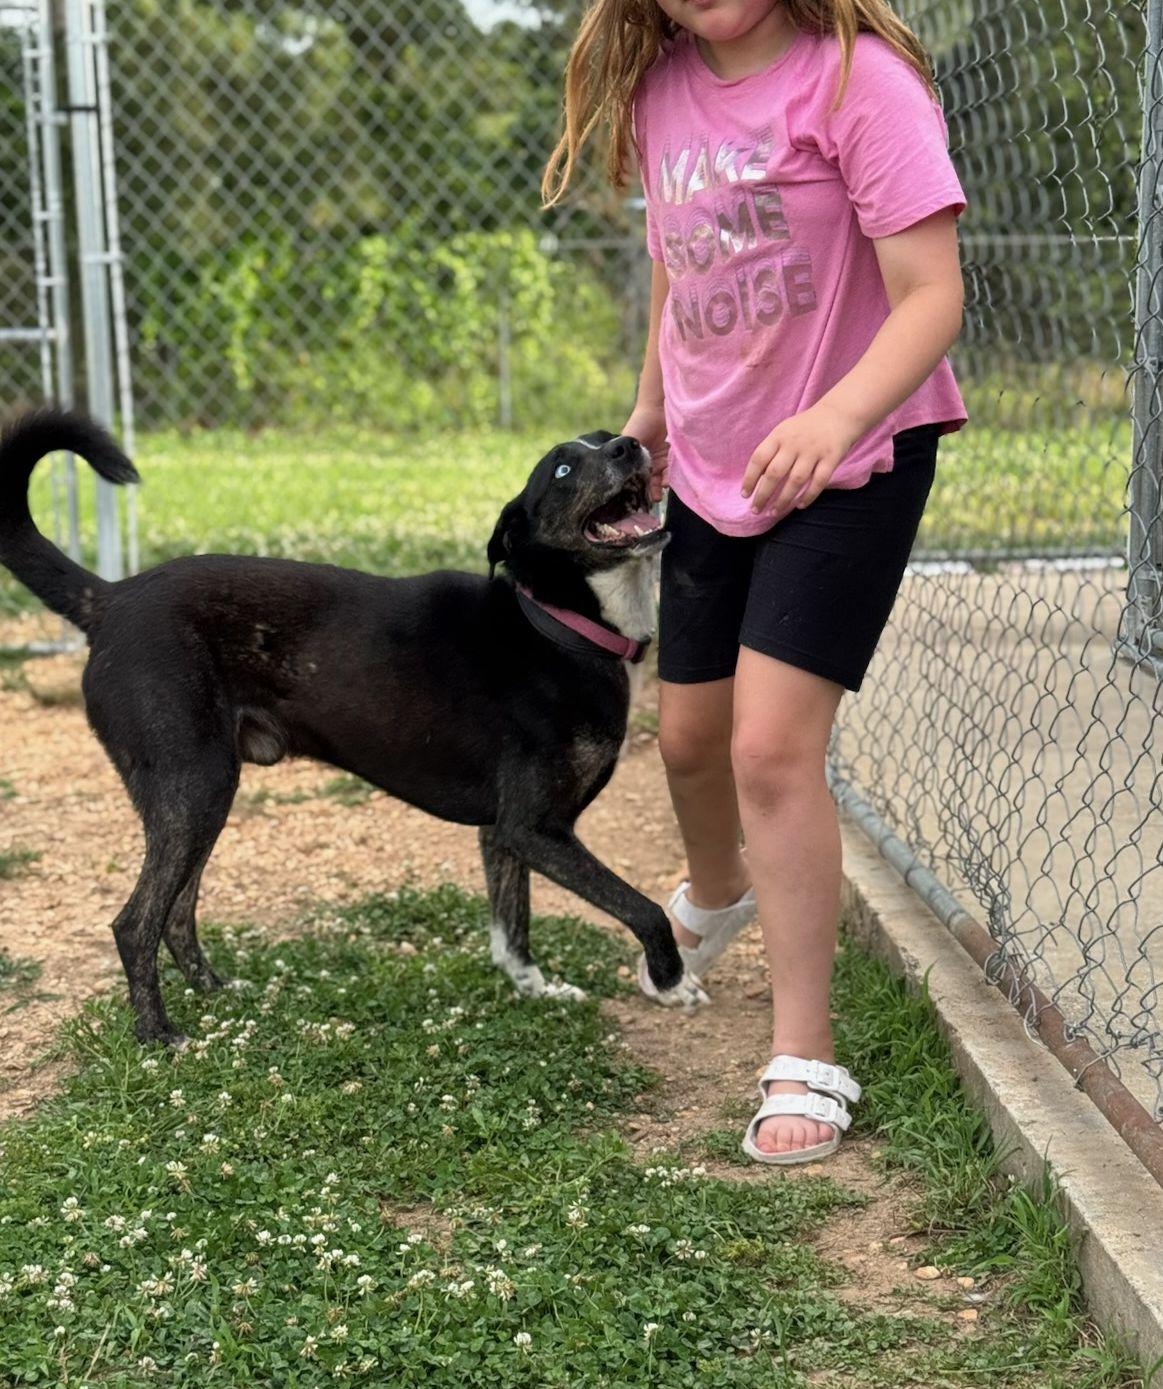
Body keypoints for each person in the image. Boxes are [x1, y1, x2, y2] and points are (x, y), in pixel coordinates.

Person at [542, 0, 967, 1163]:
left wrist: (833, 418)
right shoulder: (664, 86)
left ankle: (801, 1052)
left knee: (768, 750)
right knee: (686, 740)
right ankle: (720, 890)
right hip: (722, 449)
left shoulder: (857, 80)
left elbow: (931, 292)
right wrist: (648, 421)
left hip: (850, 454)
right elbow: (683, 278)